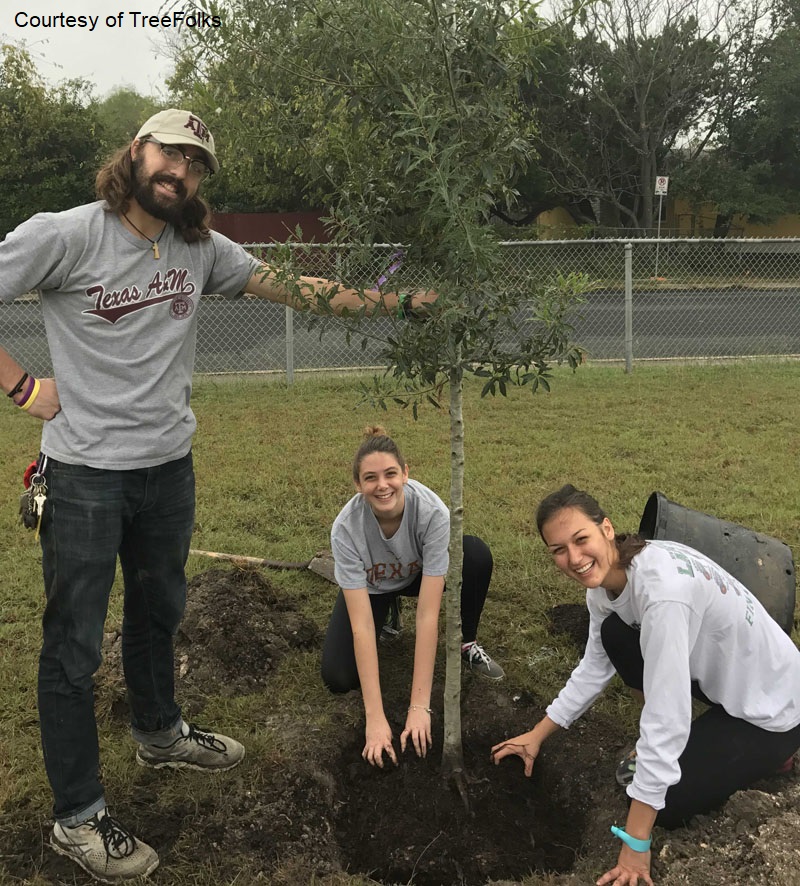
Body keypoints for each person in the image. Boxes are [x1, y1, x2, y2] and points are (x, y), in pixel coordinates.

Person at [0, 109, 431, 884]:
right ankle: (76, 815)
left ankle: (160, 732)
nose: (181, 172)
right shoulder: (64, 234)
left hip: (169, 470)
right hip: (88, 475)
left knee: (159, 611)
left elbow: (300, 288)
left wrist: (393, 304)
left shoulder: (201, 247)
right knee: (72, 647)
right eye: (171, 153)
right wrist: (24, 386)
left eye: (196, 163)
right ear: (137, 152)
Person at [491, 484, 800, 886]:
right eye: (559, 550)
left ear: (606, 528)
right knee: (616, 635)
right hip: (734, 680)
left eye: (580, 539)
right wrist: (537, 734)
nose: (574, 559)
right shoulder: (612, 581)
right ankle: (713, 747)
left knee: (667, 802)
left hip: (776, 709)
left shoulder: (663, 595)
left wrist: (636, 845)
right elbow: (594, 665)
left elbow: (668, 719)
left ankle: (778, 755)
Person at [321, 427, 504, 767]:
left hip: (418, 577)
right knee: (338, 677)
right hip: (373, 587)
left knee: (475, 554)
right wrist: (375, 719)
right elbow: (360, 625)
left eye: (391, 473)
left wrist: (419, 707)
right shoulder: (345, 529)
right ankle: (388, 611)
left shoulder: (433, 514)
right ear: (358, 486)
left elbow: (427, 614)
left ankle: (466, 643)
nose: (382, 485)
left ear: (406, 473)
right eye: (370, 478)